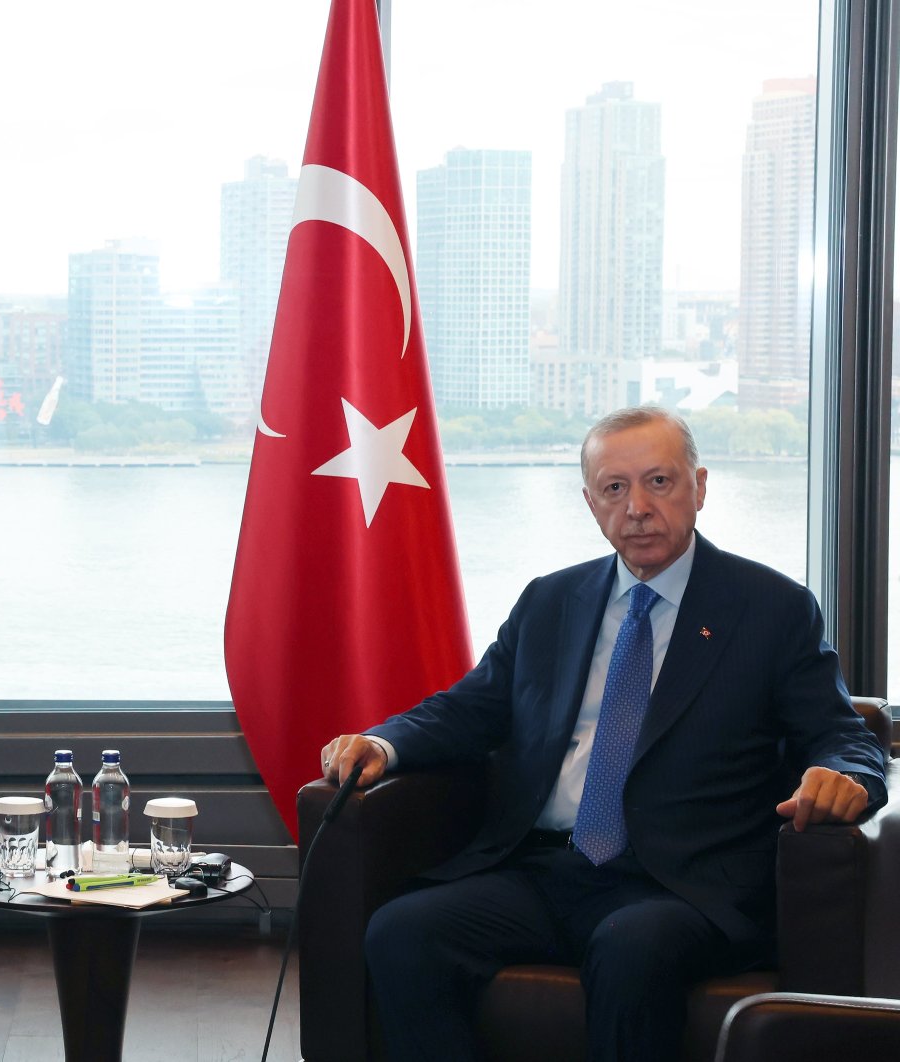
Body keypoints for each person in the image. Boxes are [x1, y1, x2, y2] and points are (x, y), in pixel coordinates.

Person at [319, 406, 887, 1061]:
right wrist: (384, 743)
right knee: (402, 931)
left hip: (682, 884)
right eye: (615, 489)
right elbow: (472, 708)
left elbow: (843, 733)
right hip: (546, 869)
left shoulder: (772, 608)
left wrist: (848, 776)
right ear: (591, 503)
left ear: (699, 487)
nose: (638, 507)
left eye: (659, 482)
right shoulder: (550, 600)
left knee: (630, 949)